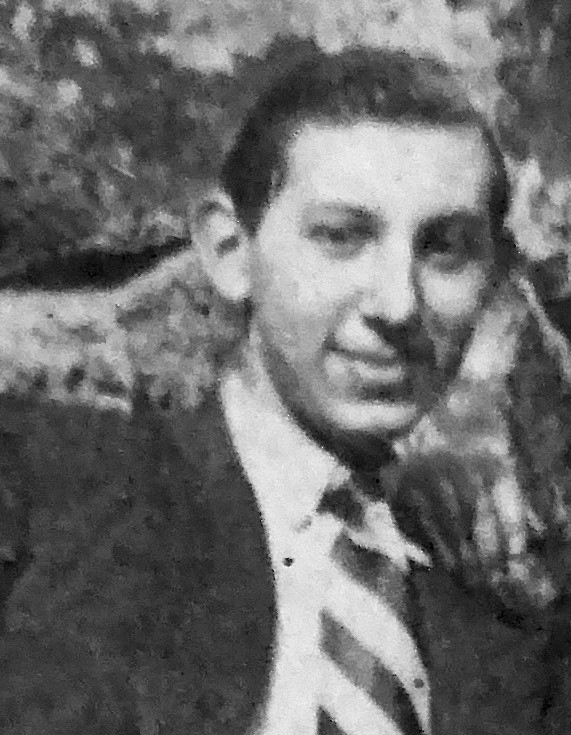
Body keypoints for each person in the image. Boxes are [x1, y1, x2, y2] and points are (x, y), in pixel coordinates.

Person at [0, 46, 569, 735]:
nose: (396, 303)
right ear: (230, 252)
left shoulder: (503, 598)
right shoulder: (58, 494)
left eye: (445, 248)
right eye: (341, 236)